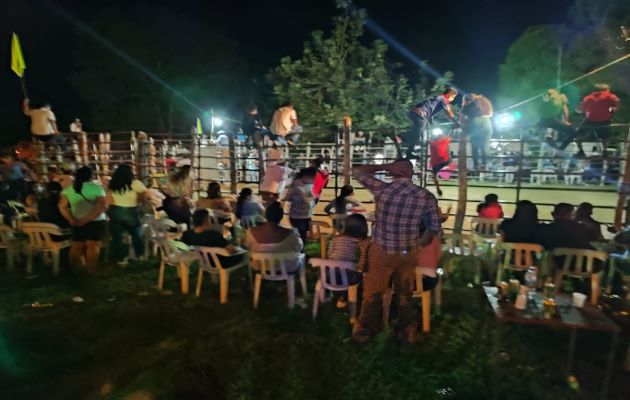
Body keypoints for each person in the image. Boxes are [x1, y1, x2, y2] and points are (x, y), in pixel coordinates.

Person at [351, 160, 441, 343]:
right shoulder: (425, 196)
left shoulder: (383, 189)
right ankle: (407, 331)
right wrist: (418, 244)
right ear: (411, 173)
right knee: (404, 293)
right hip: (408, 252)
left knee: (373, 293)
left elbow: (357, 171)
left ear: (394, 171)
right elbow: (433, 228)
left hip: (381, 251)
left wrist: (383, 167)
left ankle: (365, 333)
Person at [58, 166, 108, 272]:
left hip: (77, 221)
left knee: (77, 245)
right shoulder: (96, 188)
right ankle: (91, 270)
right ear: (90, 176)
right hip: (96, 221)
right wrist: (88, 218)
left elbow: (62, 206)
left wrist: (71, 219)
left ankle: (73, 270)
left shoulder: (69, 190)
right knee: (93, 246)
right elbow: (102, 206)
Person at [561, 84, 620, 157]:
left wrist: (582, 111)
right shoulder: (609, 96)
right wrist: (611, 110)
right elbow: (616, 101)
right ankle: (604, 151)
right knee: (605, 138)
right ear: (606, 89)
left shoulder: (589, 98)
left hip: (590, 120)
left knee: (578, 136)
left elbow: (580, 109)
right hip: (604, 120)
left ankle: (581, 151)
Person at [401, 87, 459, 159]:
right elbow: (449, 113)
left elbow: (430, 114)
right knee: (418, 132)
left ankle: (407, 143)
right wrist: (456, 122)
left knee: (417, 131)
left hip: (415, 111)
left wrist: (431, 124)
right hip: (420, 113)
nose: (453, 99)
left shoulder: (437, 98)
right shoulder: (444, 99)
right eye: (453, 97)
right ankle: (404, 138)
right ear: (448, 95)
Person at [245, 202, 303, 271]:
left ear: (266, 215)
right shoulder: (290, 233)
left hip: (260, 266)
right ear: (281, 217)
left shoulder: (250, 232)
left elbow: (247, 246)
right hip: (287, 267)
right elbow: (299, 248)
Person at [328, 213, 370, 308]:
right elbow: (363, 259)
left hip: (331, 270)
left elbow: (330, 253)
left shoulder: (336, 238)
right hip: (348, 274)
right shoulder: (361, 242)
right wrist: (362, 270)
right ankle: (343, 298)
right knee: (353, 274)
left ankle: (334, 292)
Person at [106, 165, 146, 264]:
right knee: (136, 234)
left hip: (115, 210)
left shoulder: (113, 183)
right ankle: (139, 255)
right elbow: (143, 195)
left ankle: (122, 259)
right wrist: (139, 202)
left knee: (118, 236)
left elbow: (109, 199)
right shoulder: (136, 183)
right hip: (131, 211)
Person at [181, 209, 245, 267]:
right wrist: (239, 250)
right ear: (205, 220)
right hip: (221, 262)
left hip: (203, 262)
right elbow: (231, 250)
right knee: (245, 254)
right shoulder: (213, 235)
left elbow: (185, 248)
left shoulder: (187, 234)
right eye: (209, 218)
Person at [284, 167, 317, 244]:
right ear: (306, 176)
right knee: (300, 236)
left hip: (306, 214)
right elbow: (287, 198)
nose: (313, 180)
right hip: (297, 215)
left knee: (303, 235)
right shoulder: (296, 185)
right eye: (312, 177)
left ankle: (302, 251)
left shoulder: (310, 184)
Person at [461, 93, 494, 170]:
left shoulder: (467, 106)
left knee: (475, 147)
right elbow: (489, 113)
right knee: (484, 146)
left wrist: (464, 126)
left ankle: (476, 165)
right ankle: (484, 164)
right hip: (487, 124)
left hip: (476, 125)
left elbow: (461, 118)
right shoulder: (484, 102)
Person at [428, 131, 452, 196]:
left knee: (434, 175)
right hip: (442, 161)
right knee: (434, 175)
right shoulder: (442, 142)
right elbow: (449, 137)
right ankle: (438, 188)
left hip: (437, 162)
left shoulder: (433, 143)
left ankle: (438, 188)